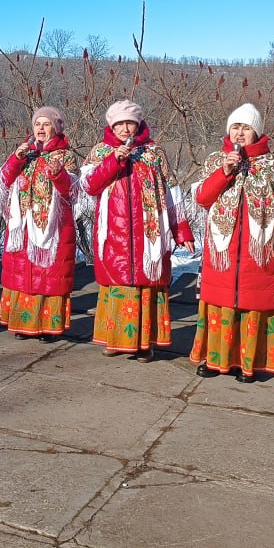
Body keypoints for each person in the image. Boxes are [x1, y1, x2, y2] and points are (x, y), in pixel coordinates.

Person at [190, 104, 274, 382]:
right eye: (235, 127)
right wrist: (225, 171)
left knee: (252, 306)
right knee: (220, 305)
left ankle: (247, 364)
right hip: (221, 249)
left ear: (256, 132)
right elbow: (202, 198)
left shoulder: (273, 164)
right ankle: (216, 361)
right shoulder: (216, 160)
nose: (240, 133)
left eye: (246, 128)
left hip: (257, 250)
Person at [81, 100, 196, 360]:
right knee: (117, 283)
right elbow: (89, 185)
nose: (125, 128)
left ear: (139, 124)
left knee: (147, 286)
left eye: (130, 123)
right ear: (111, 126)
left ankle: (146, 343)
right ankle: (115, 340)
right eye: (119, 123)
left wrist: (181, 229)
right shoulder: (100, 151)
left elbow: (172, 193)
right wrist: (113, 161)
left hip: (149, 235)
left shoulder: (154, 152)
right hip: (115, 232)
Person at [0, 106, 82, 341]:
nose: (41, 129)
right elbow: (4, 180)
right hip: (23, 227)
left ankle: (47, 327)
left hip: (52, 230)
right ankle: (22, 323)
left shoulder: (65, 156)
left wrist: (58, 174)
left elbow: (72, 191)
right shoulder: (25, 152)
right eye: (37, 124)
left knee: (48, 275)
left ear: (56, 129)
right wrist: (16, 159)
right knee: (22, 274)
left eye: (46, 124)